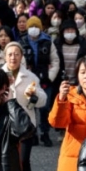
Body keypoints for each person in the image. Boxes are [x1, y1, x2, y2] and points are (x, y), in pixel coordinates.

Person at [1, 42, 47, 171]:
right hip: (4, 125)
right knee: (5, 162)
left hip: (25, 126)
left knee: (23, 161)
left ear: (21, 57)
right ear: (5, 56)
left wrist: (33, 96)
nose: (13, 57)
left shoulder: (30, 76)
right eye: (10, 54)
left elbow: (42, 100)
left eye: (16, 54)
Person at [20, 16, 60, 146]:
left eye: (36, 26)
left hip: (45, 80)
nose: (34, 29)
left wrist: (50, 76)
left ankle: (45, 133)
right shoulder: (22, 41)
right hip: (28, 80)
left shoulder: (48, 42)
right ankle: (33, 133)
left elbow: (55, 61)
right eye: (31, 26)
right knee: (30, 107)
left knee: (44, 107)